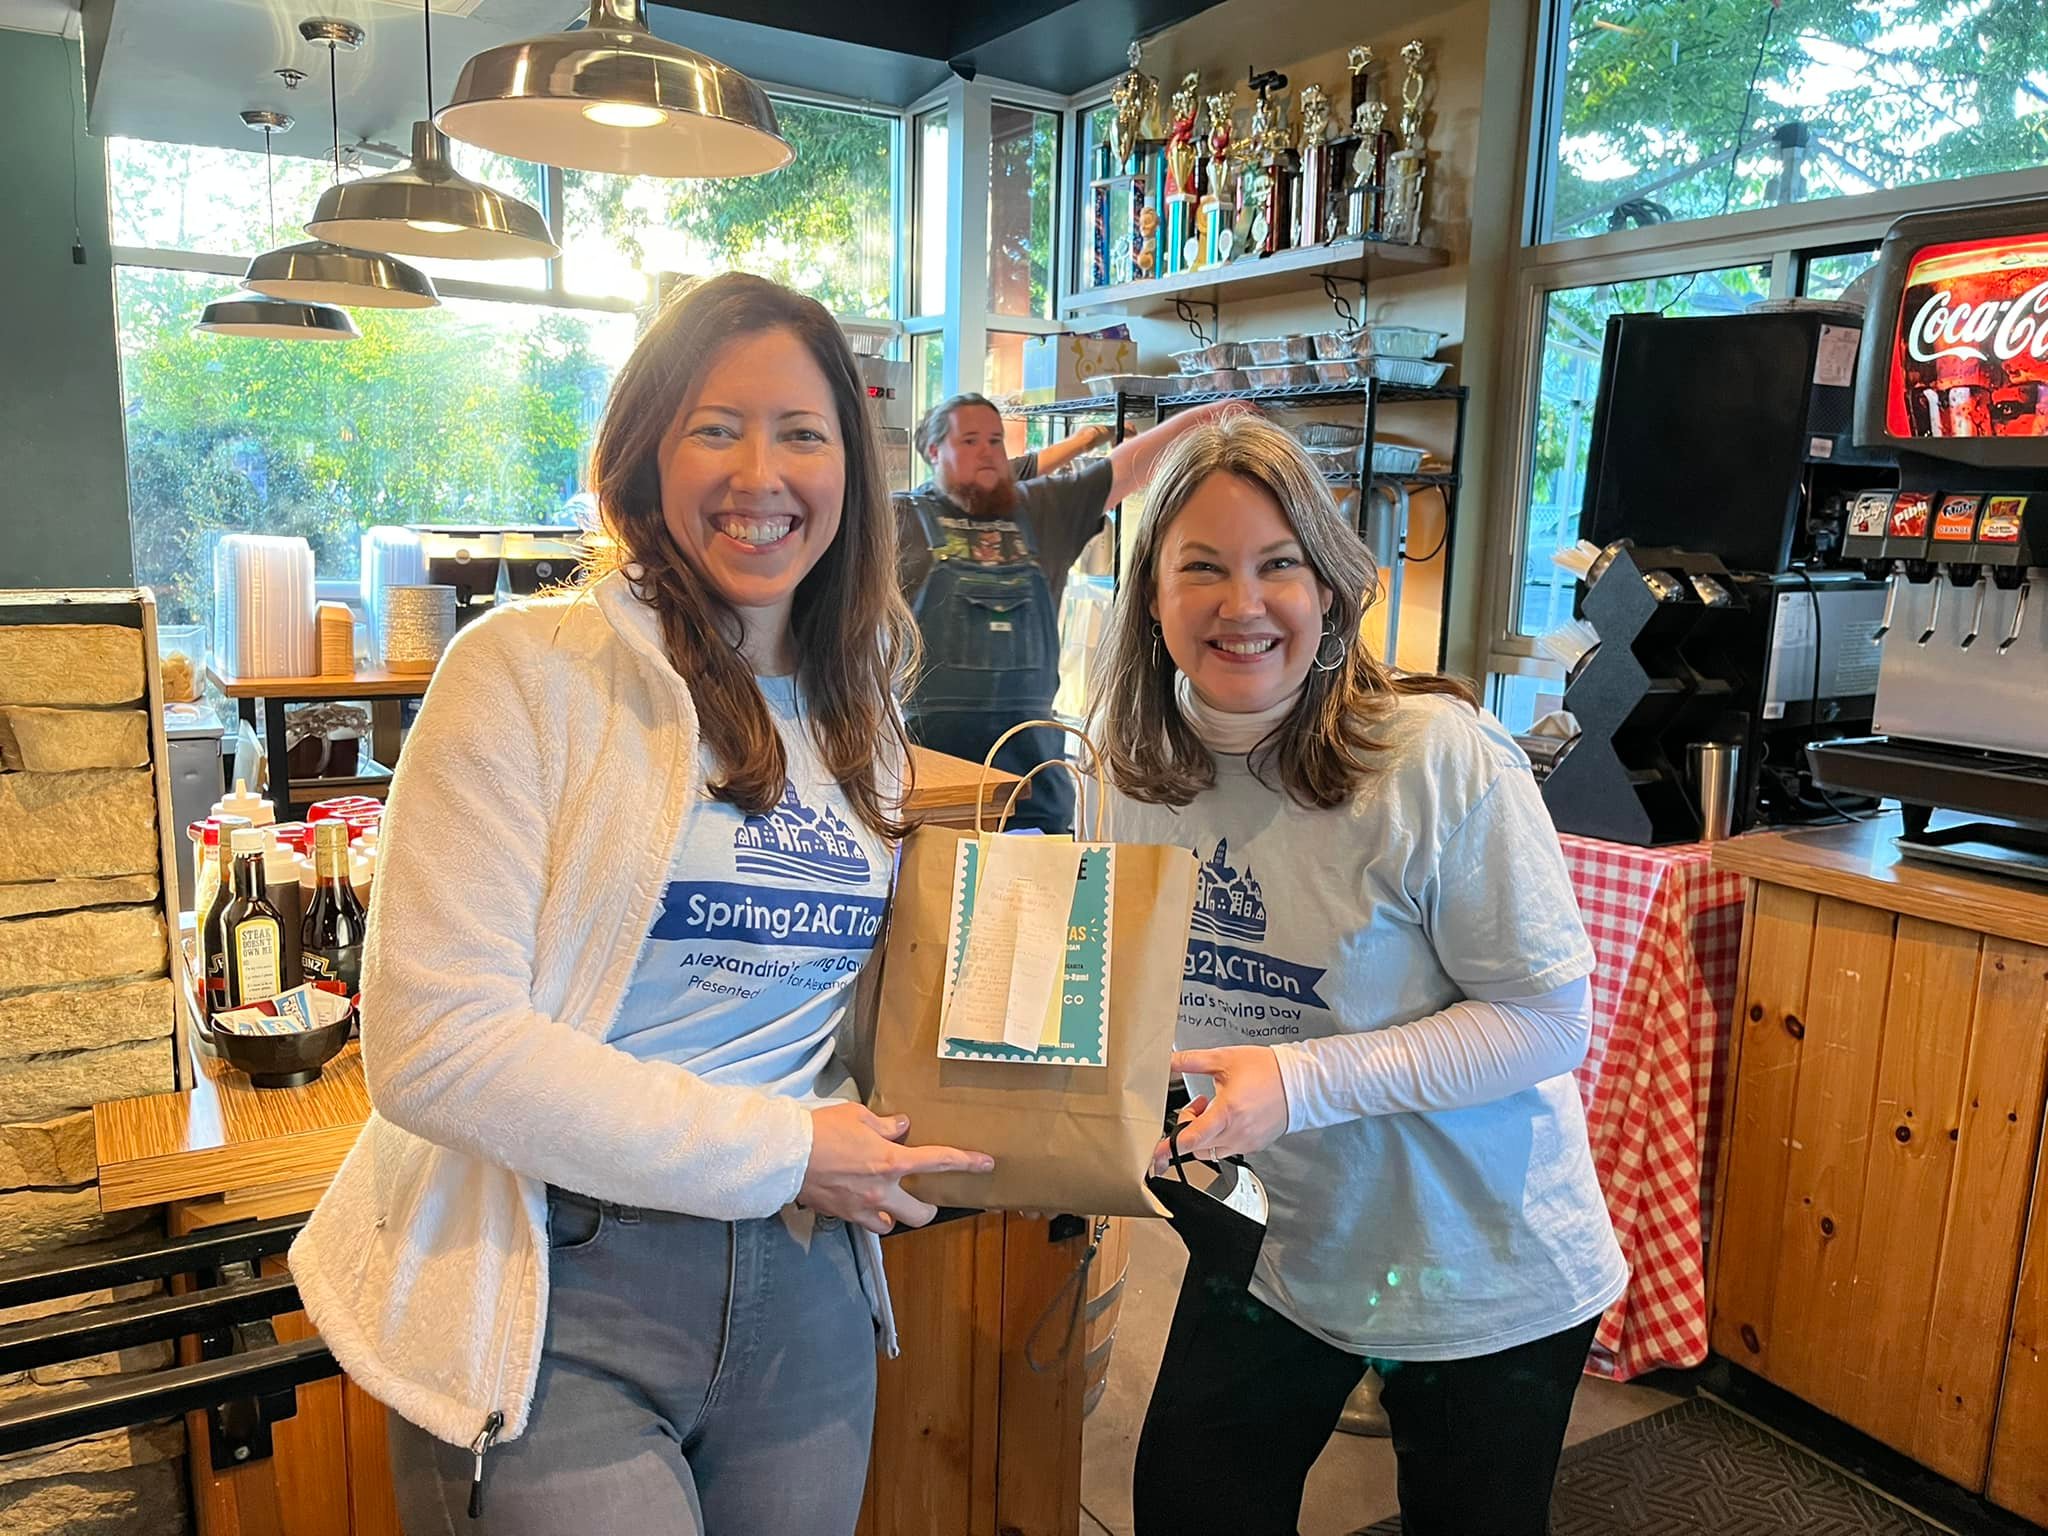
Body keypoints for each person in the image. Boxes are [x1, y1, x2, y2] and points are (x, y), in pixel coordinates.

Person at [289, 273, 993, 1536]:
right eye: (714, 427)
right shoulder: (524, 673)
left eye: (801, 432)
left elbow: (843, 1019)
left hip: (806, 1283)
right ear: (646, 453)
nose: (759, 473)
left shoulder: (864, 714)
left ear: (852, 468)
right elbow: (434, 1046)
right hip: (562, 1283)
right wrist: (786, 1149)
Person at [1092, 414, 1626, 1536]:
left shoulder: (1432, 756)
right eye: (1202, 567)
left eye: (1278, 564)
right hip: (1274, 1241)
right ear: (1149, 596)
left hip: (1479, 1259)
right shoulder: (1130, 771)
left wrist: (1296, 1082)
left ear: (1333, 588)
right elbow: (1141, 992)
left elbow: (1544, 1021)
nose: (1242, 604)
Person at [896, 392, 1235, 832]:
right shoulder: (900, 518)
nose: (987, 451)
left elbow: (1121, 469)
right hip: (936, 786)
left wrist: (1209, 415)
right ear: (932, 451)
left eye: (996, 441)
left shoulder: (1041, 510)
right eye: (970, 440)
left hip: (1034, 781)